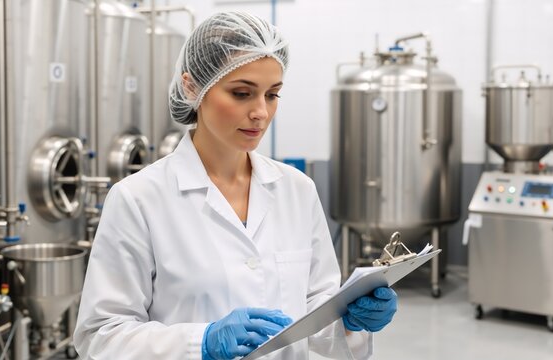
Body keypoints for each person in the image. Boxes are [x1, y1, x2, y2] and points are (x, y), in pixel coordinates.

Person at [73, 11, 397, 360]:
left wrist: (350, 320)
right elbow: (102, 335)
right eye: (242, 93)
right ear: (192, 87)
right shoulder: (139, 199)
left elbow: (315, 307)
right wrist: (202, 342)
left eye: (272, 95)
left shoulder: (297, 189)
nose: (260, 112)